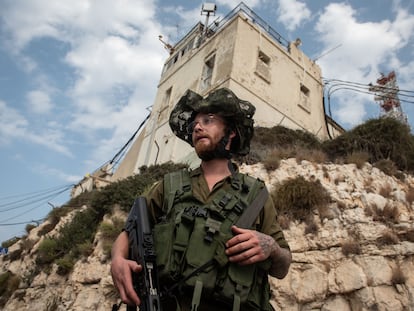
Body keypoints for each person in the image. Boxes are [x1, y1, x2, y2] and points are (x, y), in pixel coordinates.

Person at [111, 88, 292, 311]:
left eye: (208, 120)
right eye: (195, 123)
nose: (197, 127)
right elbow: (129, 229)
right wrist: (118, 259)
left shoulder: (256, 196)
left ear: (231, 132)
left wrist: (271, 247)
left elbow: (282, 267)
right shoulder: (169, 186)